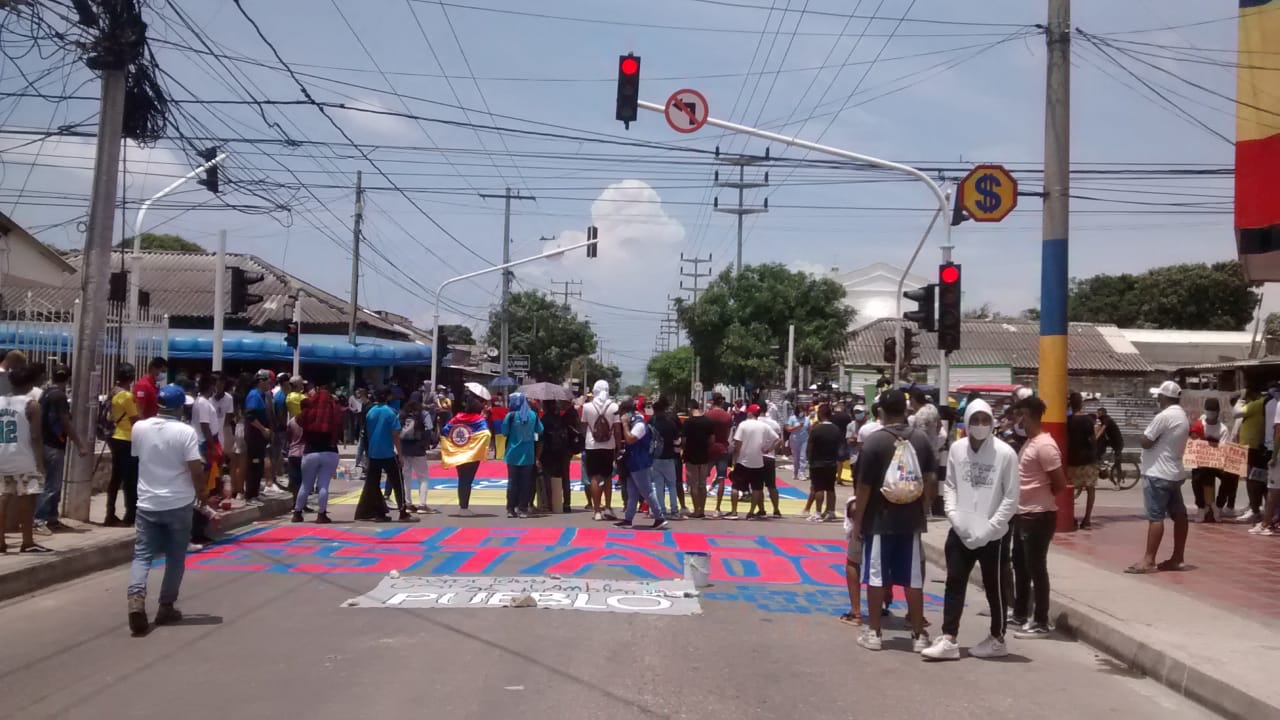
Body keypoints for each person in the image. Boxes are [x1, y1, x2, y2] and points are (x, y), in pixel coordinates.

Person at [921, 399, 1019, 661]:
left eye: (984, 420)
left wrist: (990, 529)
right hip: (961, 530)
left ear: (992, 422)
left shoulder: (1005, 454)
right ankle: (949, 637)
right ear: (966, 422)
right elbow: (951, 485)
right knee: (954, 582)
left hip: (993, 534)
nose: (979, 425)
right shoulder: (957, 449)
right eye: (974, 420)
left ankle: (997, 638)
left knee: (994, 586)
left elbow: (1011, 498)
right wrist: (953, 516)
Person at [849, 389, 936, 652]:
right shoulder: (921, 440)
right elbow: (931, 480)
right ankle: (919, 634)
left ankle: (874, 632)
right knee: (913, 579)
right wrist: (923, 506)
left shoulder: (875, 442)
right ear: (906, 410)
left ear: (882, 412)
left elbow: (863, 488)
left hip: (879, 521)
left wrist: (858, 523)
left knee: (876, 576)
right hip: (910, 521)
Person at [126, 384, 205, 635]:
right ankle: (166, 605)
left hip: (147, 501)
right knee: (175, 556)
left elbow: (139, 457)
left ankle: (136, 598)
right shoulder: (185, 432)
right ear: (180, 406)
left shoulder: (139, 427)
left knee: (142, 555)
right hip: (178, 502)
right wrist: (202, 492)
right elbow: (195, 467)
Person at [1009, 396, 1066, 639]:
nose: (1016, 420)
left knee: (1036, 568)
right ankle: (1021, 612)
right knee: (1020, 566)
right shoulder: (1030, 442)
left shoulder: (1045, 445)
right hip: (1023, 514)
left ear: (1028, 415)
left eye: (1019, 414)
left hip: (1038, 517)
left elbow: (1060, 483)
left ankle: (1041, 621)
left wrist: (1040, 499)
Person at [1126, 381, 1190, 575]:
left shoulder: (1164, 416)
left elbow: (1146, 441)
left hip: (1157, 473)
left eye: (1159, 396)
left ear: (1164, 397)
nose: (1157, 399)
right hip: (1174, 472)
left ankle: (1148, 560)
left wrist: (1141, 434)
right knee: (1180, 516)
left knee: (1155, 517)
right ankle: (1178, 558)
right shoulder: (1182, 416)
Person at [0, 365, 49, 554]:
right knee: (27, 500)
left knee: (3, 499)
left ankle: (1, 541)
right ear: (30, 384)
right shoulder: (31, 404)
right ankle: (27, 542)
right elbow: (36, 436)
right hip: (25, 458)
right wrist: (40, 463)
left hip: (2, 456)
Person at [35, 365, 88, 532]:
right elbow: (65, 422)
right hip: (53, 445)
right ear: (68, 378)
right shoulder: (59, 396)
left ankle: (52, 519)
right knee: (52, 485)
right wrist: (80, 444)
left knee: (52, 484)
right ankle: (40, 520)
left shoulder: (46, 393)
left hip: (44, 443)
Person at [356, 387, 415, 523]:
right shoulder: (390, 412)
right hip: (387, 452)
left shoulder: (370, 412)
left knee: (374, 484)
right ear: (388, 397)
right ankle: (402, 511)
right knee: (397, 482)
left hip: (373, 453)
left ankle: (379, 513)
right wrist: (400, 455)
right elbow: (396, 435)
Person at [294, 382, 343, 524]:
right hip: (330, 451)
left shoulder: (310, 410)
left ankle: (297, 513)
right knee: (323, 485)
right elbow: (340, 426)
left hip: (310, 452)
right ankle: (321, 515)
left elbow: (298, 420)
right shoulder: (334, 410)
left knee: (305, 485)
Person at [615, 398, 668, 530]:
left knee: (647, 491)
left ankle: (659, 517)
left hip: (640, 463)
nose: (621, 416)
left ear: (628, 413)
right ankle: (628, 519)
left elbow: (630, 439)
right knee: (632, 492)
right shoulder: (634, 422)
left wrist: (625, 425)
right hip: (632, 462)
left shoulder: (639, 424)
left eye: (622, 413)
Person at [440, 383, 492, 517]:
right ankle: (464, 507)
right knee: (467, 480)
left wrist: (455, 444)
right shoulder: (479, 420)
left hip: (459, 453)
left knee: (461, 479)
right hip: (472, 454)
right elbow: (486, 434)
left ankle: (462, 506)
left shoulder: (457, 418)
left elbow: (445, 431)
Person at [728, 404, 779, 520]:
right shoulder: (764, 426)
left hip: (743, 460)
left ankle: (734, 511)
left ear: (750, 413)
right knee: (757, 488)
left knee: (735, 486)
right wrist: (768, 449)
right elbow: (777, 439)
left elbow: (737, 444)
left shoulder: (743, 425)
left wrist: (734, 460)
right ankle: (751, 512)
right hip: (758, 461)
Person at [580, 379, 620, 521]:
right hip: (609, 446)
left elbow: (584, 427)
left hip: (592, 446)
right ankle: (608, 507)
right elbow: (616, 429)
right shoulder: (614, 406)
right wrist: (618, 447)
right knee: (608, 477)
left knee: (594, 478)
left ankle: (596, 510)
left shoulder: (587, 407)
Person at [106, 363, 140, 526]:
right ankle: (130, 515)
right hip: (127, 438)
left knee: (116, 477)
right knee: (130, 479)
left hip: (114, 436)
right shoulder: (126, 396)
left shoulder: (113, 392)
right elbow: (135, 420)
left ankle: (110, 513)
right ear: (132, 378)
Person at [502, 392, 542, 518]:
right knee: (526, 482)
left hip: (512, 454)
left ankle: (510, 508)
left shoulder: (511, 416)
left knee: (512, 482)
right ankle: (523, 508)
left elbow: (504, 432)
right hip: (528, 454)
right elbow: (540, 430)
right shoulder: (533, 415)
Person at [1189, 397, 1228, 523]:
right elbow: (1193, 442)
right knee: (1195, 480)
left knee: (1231, 478)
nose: (1210, 413)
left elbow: (1223, 449)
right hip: (1201, 463)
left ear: (1218, 412)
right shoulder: (1199, 425)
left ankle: (1219, 505)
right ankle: (1201, 507)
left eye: (1213, 410)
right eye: (1208, 410)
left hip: (1216, 464)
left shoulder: (1223, 429)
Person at [1235, 386, 1269, 525]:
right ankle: (1256, 507)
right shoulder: (1263, 404)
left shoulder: (1256, 404)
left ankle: (1255, 510)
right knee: (1257, 479)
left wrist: (1241, 399)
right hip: (1254, 447)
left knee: (1252, 479)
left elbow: (1236, 413)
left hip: (1254, 448)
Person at [539, 399, 580, 513]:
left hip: (548, 453)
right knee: (565, 477)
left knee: (547, 476)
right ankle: (566, 503)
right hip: (564, 451)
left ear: (545, 406)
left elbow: (540, 437)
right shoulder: (562, 419)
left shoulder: (544, 420)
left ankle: (549, 503)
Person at [400, 394, 437, 515]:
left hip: (404, 448)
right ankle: (422, 504)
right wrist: (427, 443)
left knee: (406, 477)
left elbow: (396, 428)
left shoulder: (403, 413)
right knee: (423, 477)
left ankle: (407, 504)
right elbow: (429, 429)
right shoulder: (423, 414)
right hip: (418, 448)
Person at [1066, 391, 1098, 529]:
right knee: (1090, 489)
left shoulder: (1067, 420)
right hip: (1087, 459)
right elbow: (1092, 440)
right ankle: (1087, 520)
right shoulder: (1087, 420)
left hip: (1072, 459)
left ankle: (1070, 518)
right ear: (1081, 404)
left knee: (1070, 490)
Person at [242, 370, 273, 503]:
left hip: (260, 437)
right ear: (261, 381)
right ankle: (250, 494)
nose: (269, 385)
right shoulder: (254, 395)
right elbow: (250, 416)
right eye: (268, 382)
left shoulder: (262, 395)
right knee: (254, 464)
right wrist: (262, 429)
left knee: (259, 463)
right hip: (254, 436)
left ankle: (255, 491)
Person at [648, 397, 682, 519]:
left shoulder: (652, 422)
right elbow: (677, 440)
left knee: (658, 485)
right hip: (669, 457)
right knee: (672, 485)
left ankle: (661, 509)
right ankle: (674, 510)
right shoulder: (670, 423)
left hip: (655, 458)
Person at [680, 400, 715, 518]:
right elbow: (712, 440)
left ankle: (696, 509)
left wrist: (684, 448)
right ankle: (702, 510)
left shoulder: (688, 422)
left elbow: (683, 441)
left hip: (691, 456)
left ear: (690, 408)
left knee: (693, 485)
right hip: (704, 455)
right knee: (702, 484)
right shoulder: (708, 422)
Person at [705, 395, 734, 516]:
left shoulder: (707, 415)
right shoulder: (728, 417)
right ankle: (717, 508)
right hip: (722, 448)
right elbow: (728, 434)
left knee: (702, 477)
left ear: (712, 402)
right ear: (722, 402)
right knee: (721, 478)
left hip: (709, 448)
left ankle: (700, 506)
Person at [759, 404, 784, 518]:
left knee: (757, 486)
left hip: (757, 456)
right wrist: (773, 450)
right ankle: (776, 509)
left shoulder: (754, 422)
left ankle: (761, 509)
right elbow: (779, 440)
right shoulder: (774, 423)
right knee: (771, 486)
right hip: (770, 457)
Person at [133, 357, 167, 421]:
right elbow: (139, 411)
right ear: (153, 368)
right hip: (146, 425)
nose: (164, 374)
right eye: (162, 371)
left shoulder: (155, 385)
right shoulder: (143, 385)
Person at [831, 401, 855, 485]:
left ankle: (833, 477)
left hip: (833, 438)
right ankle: (839, 478)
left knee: (833, 459)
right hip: (843, 439)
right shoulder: (847, 417)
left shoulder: (832, 417)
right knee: (840, 460)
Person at [786, 403, 811, 482]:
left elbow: (809, 429)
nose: (802, 412)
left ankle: (802, 473)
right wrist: (797, 426)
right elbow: (788, 429)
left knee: (803, 456)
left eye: (803, 410)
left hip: (804, 439)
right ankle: (795, 472)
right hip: (794, 439)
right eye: (800, 410)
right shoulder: (792, 418)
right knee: (796, 457)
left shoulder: (807, 419)